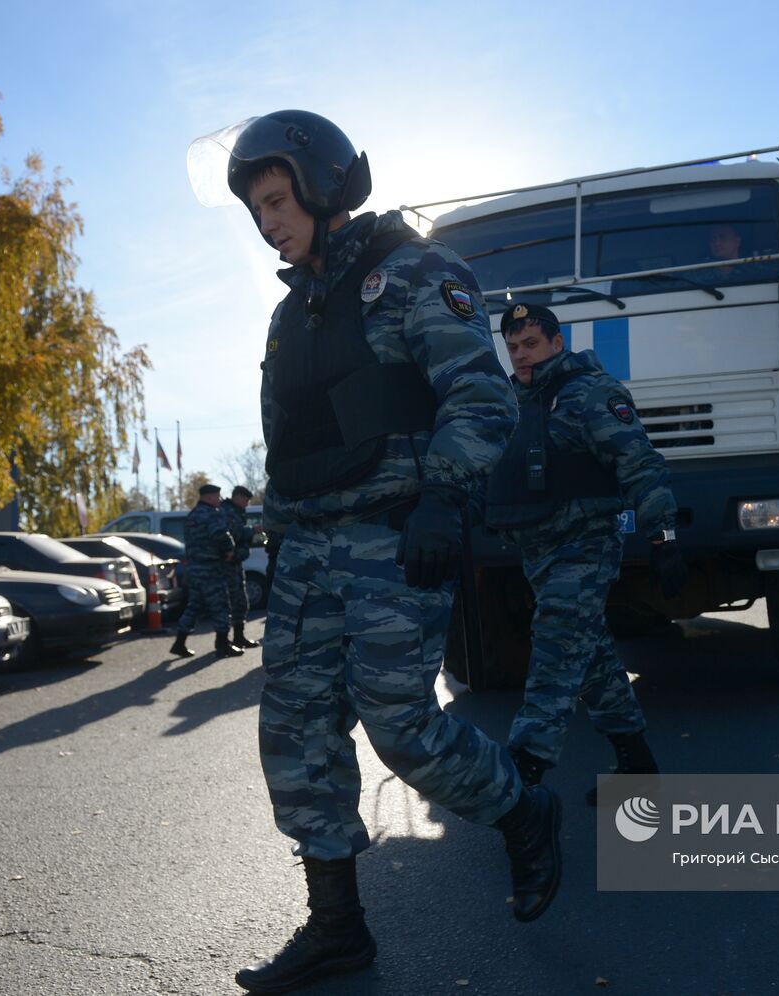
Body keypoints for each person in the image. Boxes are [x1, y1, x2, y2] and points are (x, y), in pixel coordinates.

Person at [188, 110, 558, 994]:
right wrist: (273, 537)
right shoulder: (291, 314)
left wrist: (444, 498)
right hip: (310, 547)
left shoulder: (413, 273)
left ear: (321, 186)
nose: (269, 220)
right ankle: (339, 929)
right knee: (296, 737)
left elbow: (481, 397)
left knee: (402, 728)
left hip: (395, 534)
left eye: (278, 198)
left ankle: (522, 807)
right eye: (257, 209)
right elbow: (289, 439)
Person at [486, 303, 687, 805]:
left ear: (557, 342)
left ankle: (522, 780)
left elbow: (639, 465)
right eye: (512, 347)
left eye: (531, 344)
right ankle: (637, 763)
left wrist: (663, 539)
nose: (521, 355)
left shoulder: (591, 393)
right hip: (537, 551)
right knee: (592, 659)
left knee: (555, 651)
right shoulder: (514, 402)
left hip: (584, 546)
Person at [169, 483, 242, 660]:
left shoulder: (192, 516)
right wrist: (229, 550)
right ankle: (223, 644)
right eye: (217, 496)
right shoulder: (211, 514)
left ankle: (179, 642)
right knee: (221, 605)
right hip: (211, 569)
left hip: (193, 569)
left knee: (194, 606)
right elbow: (221, 535)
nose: (219, 500)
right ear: (209, 497)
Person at [222, 485, 262, 649]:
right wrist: (253, 530)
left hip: (236, 563)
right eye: (245, 500)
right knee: (230, 602)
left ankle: (239, 637)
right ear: (237, 497)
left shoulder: (236, 512)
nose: (246, 503)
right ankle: (223, 641)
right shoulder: (227, 512)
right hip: (227, 565)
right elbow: (235, 533)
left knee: (241, 601)